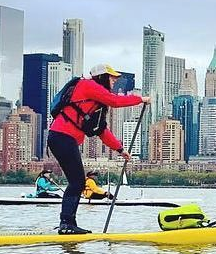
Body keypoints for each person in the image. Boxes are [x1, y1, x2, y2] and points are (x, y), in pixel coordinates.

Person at [47, 63, 148, 234]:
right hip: (62, 137)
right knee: (77, 182)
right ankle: (66, 225)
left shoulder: (95, 104)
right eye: (112, 77)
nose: (115, 81)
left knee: (76, 182)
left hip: (61, 138)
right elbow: (115, 101)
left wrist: (120, 150)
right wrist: (140, 99)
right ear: (102, 77)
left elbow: (101, 130)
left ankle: (68, 224)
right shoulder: (88, 85)